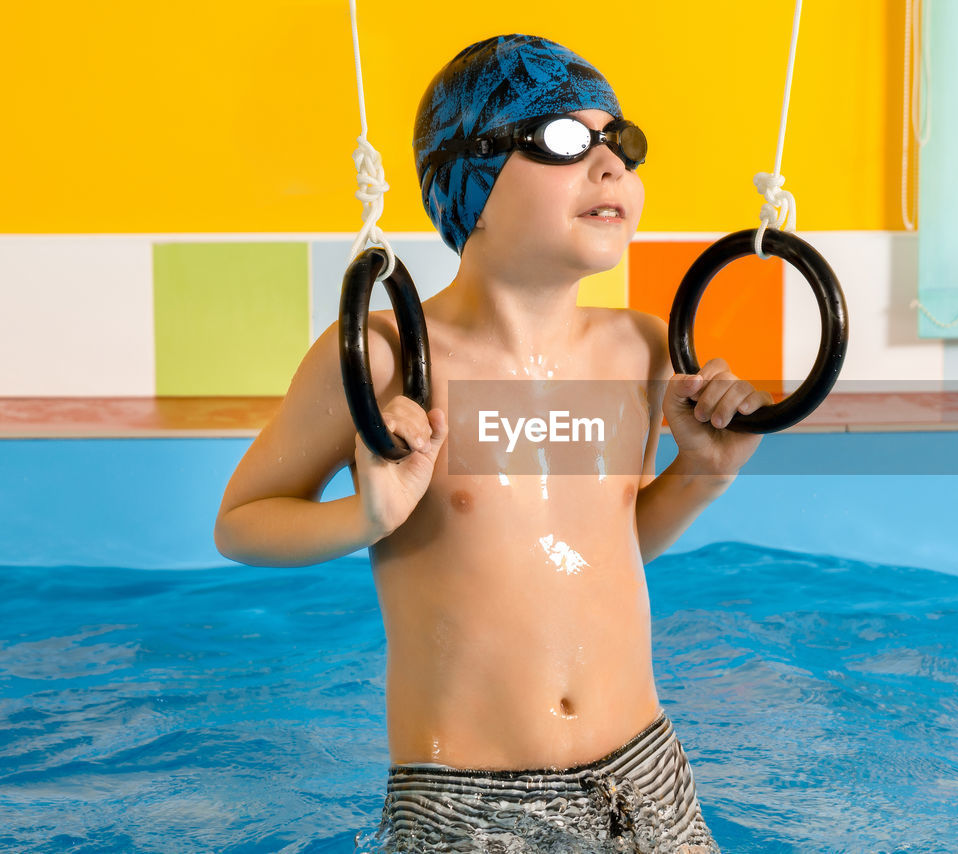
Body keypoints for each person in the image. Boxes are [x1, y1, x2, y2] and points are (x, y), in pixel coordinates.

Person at [214, 33, 769, 854]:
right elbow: (243, 522)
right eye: (565, 142)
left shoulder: (639, 352)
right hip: (467, 801)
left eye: (621, 143)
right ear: (467, 176)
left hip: (646, 772)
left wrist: (701, 478)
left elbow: (596, 550)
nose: (612, 166)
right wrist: (367, 516)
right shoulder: (388, 360)